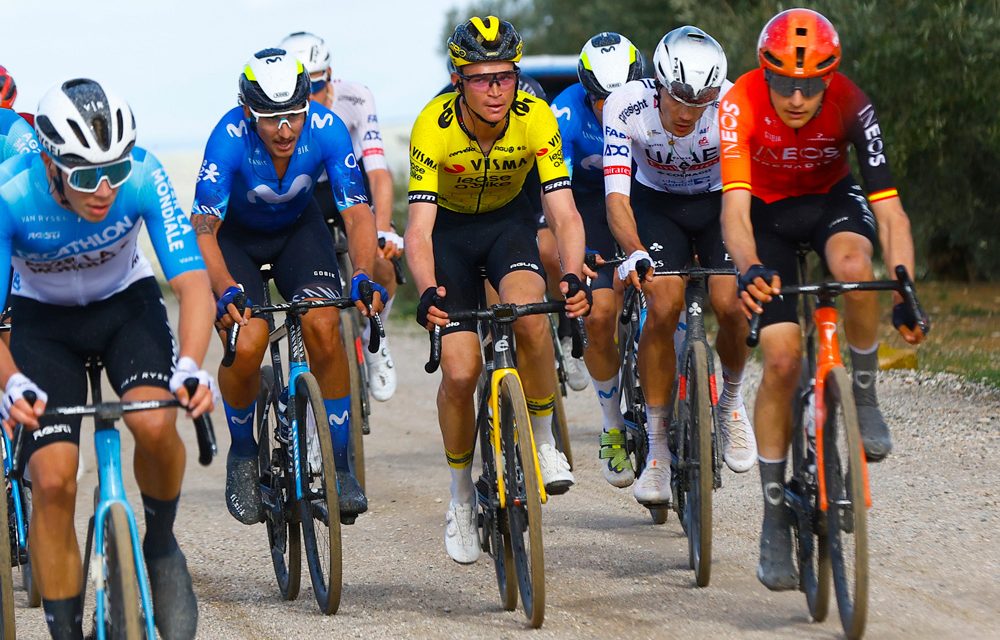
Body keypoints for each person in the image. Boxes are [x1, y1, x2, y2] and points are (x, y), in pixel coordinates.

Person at [718, 8, 926, 590]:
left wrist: (905, 287)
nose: (796, 97)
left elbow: (890, 212)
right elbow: (733, 214)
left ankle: (862, 391)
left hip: (832, 200)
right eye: (784, 83)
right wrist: (748, 266)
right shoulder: (739, 102)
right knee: (782, 359)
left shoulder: (854, 103)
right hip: (764, 216)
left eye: (810, 85)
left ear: (829, 78)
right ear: (766, 74)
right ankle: (772, 514)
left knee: (857, 268)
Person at [0, 78, 215, 640]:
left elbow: (193, 285)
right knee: (51, 481)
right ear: (50, 163)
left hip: (125, 309)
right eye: (87, 174)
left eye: (114, 171)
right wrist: (12, 382)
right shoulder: (9, 195)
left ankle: (161, 543)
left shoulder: (143, 174)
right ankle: (66, 629)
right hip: (42, 325)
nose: (104, 189)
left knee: (152, 420)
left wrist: (191, 365)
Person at [405, 16, 590, 564]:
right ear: (459, 79)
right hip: (451, 237)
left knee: (531, 313)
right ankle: (461, 496)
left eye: (505, 77)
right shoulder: (431, 126)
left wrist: (574, 275)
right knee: (460, 372)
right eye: (482, 78)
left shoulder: (534, 118)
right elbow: (418, 230)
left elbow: (565, 213)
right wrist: (427, 291)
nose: (495, 90)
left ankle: (545, 440)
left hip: (509, 225)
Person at [190, 48, 384, 527]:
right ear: (248, 112)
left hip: (300, 231)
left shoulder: (326, 128)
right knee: (249, 338)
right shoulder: (227, 137)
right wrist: (224, 289)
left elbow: (358, 211)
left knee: (323, 324)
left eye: (293, 115)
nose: (285, 129)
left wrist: (362, 272)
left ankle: (338, 465)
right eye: (271, 118)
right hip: (236, 240)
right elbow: (203, 228)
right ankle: (242, 452)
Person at [604, 26, 757, 506]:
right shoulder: (625, 106)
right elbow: (616, 197)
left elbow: (742, 195)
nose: (690, 114)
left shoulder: (731, 106)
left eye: (701, 102)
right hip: (656, 205)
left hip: (717, 204)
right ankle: (657, 449)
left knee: (732, 304)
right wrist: (633, 251)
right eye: (679, 101)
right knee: (664, 304)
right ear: (658, 86)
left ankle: (730, 404)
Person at [279, 31, 402, 402]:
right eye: (302, 86)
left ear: (329, 74)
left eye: (316, 84)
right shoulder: (285, 109)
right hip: (303, 192)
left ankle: (375, 337)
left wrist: (381, 230)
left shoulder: (355, 97)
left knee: (381, 257)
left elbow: (378, 171)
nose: (310, 95)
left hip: (346, 184)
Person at [549, 32, 647, 485]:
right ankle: (611, 422)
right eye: (601, 98)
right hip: (588, 209)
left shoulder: (653, 102)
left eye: (622, 94)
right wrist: (580, 249)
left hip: (641, 200)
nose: (613, 105)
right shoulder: (565, 114)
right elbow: (559, 198)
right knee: (601, 315)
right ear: (586, 91)